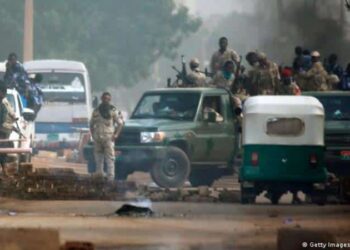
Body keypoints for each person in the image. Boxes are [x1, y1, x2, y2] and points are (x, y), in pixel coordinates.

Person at [90, 92, 124, 181]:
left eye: (108, 99)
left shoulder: (113, 110)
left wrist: (116, 135)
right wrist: (93, 135)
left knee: (110, 160)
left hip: (109, 139)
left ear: (110, 100)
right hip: (98, 139)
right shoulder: (96, 110)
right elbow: (91, 124)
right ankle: (100, 178)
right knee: (98, 159)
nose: (106, 100)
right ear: (101, 98)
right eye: (104, 98)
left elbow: (120, 124)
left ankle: (110, 180)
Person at [0, 84, 17, 176]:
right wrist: (11, 127)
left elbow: (7, 118)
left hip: (3, 132)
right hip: (3, 130)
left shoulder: (4, 103)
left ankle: (4, 171)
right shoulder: (3, 103)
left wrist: (11, 126)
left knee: (3, 152)